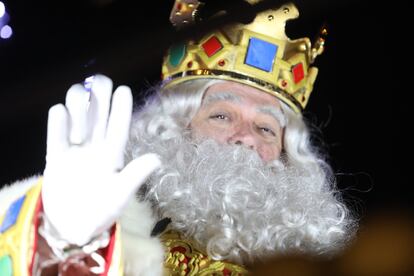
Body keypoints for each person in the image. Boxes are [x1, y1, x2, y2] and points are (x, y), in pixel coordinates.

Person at [0, 1, 355, 275]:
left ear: (285, 156)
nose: (245, 138)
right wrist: (59, 245)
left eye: (265, 128)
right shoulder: (112, 235)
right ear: (171, 132)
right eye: (221, 116)